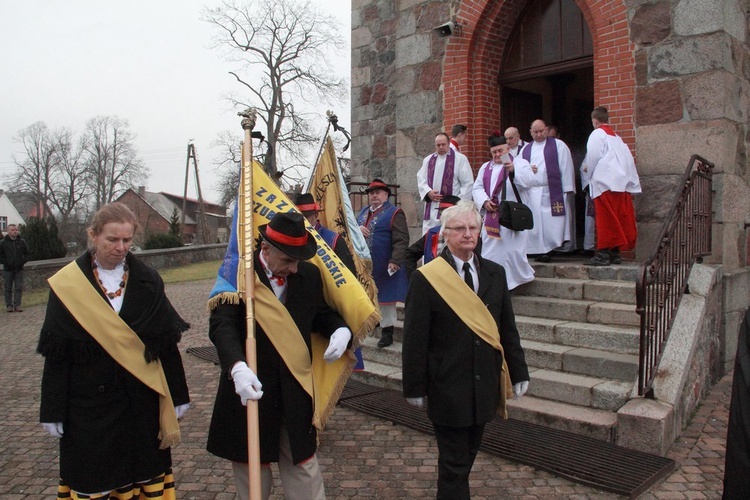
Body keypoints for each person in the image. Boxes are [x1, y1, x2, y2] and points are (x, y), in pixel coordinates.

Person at [37, 202, 190, 498]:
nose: (120, 247)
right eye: (112, 239)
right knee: (96, 479)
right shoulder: (67, 285)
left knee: (142, 473)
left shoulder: (148, 280)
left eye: (127, 240)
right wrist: (52, 409)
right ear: (93, 235)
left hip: (140, 403)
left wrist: (178, 394)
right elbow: (57, 353)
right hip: (88, 407)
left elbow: (164, 343)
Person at [207, 212, 353, 499]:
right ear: (265, 250)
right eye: (287, 260)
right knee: (253, 477)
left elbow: (320, 315)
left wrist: (340, 330)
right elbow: (222, 326)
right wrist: (237, 366)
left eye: (298, 260)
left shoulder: (308, 275)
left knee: (304, 468)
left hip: (294, 389)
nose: (294, 268)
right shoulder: (238, 274)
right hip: (251, 388)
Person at [402, 201, 530, 500]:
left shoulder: (495, 273)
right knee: (454, 463)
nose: (468, 234)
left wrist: (519, 370)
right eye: (460, 229)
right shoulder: (427, 277)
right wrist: (414, 385)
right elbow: (415, 337)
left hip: (484, 383)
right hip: (447, 383)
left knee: (467, 456)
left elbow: (507, 329)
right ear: (444, 234)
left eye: (473, 228)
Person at [472, 132, 535, 290]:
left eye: (500, 151)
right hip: (491, 217)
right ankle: (496, 284)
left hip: (511, 217)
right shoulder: (485, 167)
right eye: (494, 152)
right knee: (490, 252)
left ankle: (515, 281)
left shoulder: (520, 163)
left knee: (512, 252)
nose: (497, 154)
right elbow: (477, 187)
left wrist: (514, 171)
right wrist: (485, 201)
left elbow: (529, 182)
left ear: (507, 149)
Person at [582, 106, 641, 266]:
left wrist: (588, 172)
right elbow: (627, 160)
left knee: (605, 220)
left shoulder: (597, 134)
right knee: (615, 219)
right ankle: (614, 253)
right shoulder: (616, 137)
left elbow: (593, 157)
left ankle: (602, 254)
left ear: (594, 121)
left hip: (604, 184)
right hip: (619, 184)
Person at [357, 179, 409, 348]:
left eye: (378, 192)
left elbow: (401, 239)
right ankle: (373, 324)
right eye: (372, 193)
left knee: (386, 299)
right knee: (369, 295)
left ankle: (387, 333)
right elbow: (350, 232)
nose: (374, 196)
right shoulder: (363, 212)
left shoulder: (395, 212)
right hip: (366, 265)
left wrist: (395, 260)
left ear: (386, 195)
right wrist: (356, 230)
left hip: (386, 264)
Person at [521, 119, 577, 262]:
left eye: (541, 131)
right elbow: (519, 168)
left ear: (546, 130)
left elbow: (566, 167)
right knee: (536, 225)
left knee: (550, 224)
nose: (539, 134)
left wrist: (567, 188)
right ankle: (538, 250)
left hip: (552, 191)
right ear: (530, 132)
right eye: (535, 132)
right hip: (532, 192)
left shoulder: (559, 146)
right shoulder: (525, 149)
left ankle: (549, 250)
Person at [417, 132, 474, 233]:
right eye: (438, 145)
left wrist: (459, 204)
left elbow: (467, 183)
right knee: (431, 236)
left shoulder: (460, 159)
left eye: (443, 144)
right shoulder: (428, 160)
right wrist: (428, 192)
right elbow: (421, 179)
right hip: (432, 208)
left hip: (452, 207)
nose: (441, 147)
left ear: (448, 143)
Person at [295, 192, 356, 273]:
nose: (302, 221)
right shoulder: (292, 237)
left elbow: (349, 273)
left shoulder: (334, 240)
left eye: (306, 217)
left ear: (316, 215)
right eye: (299, 217)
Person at [403, 194, 461, 279]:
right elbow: (410, 254)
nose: (444, 216)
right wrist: (414, 278)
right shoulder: (432, 233)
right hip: (433, 282)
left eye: (448, 213)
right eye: (441, 212)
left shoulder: (467, 235)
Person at [0, 223, 28, 312]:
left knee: (18, 287)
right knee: (8, 288)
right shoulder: (3, 243)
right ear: (8, 231)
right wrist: (7, 262)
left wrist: (22, 261)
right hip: (8, 269)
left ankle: (17, 305)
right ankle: (9, 305)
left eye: (16, 230)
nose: (15, 232)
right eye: (12, 230)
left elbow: (27, 253)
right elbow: (1, 255)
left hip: (19, 269)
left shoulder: (21, 242)